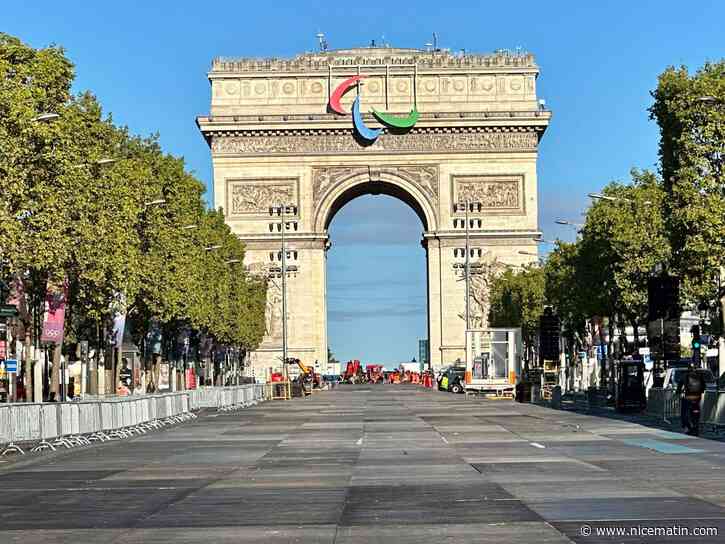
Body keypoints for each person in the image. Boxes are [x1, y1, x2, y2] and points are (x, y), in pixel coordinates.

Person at [677, 364, 705, 435]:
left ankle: (687, 426)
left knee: (684, 412)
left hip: (688, 397)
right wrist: (700, 392)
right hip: (697, 397)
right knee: (697, 411)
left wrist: (678, 392)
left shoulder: (685, 375)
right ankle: (696, 427)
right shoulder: (699, 375)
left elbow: (679, 385)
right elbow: (704, 386)